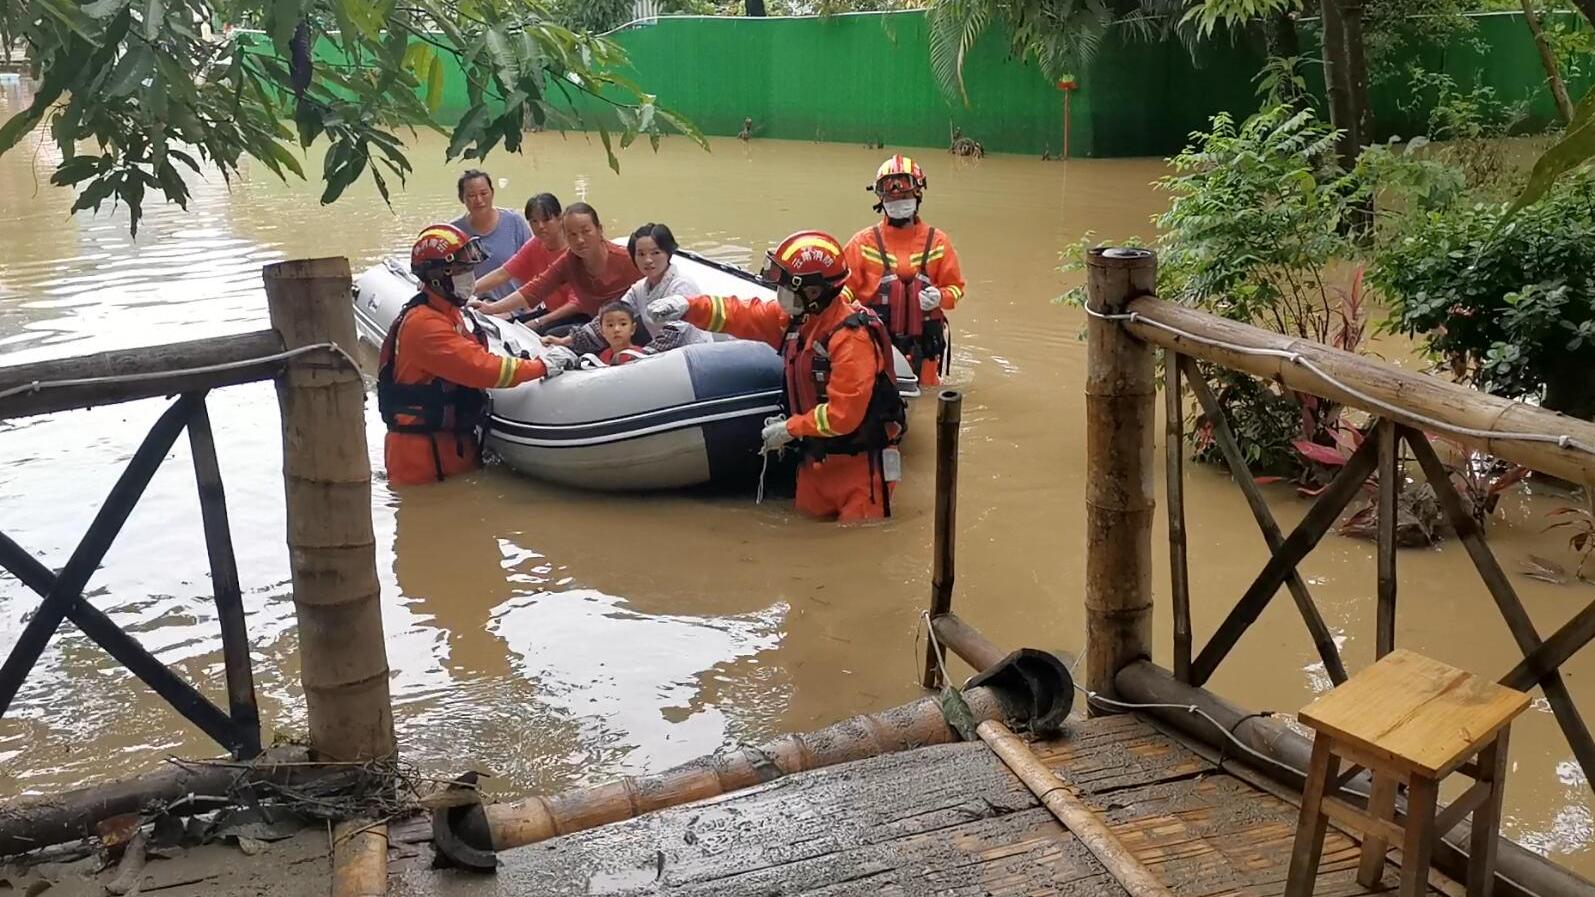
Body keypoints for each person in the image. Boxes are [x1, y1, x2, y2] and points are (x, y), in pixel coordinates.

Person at [649, 230, 906, 523]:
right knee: (803, 537)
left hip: (859, 469)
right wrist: (688, 307)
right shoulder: (799, 321)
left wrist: (791, 428)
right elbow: (740, 314)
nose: (779, 292)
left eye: (786, 286)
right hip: (815, 462)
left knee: (855, 546)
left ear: (812, 293)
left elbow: (844, 414)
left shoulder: (851, 339)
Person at [379, 223, 578, 486]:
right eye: (462, 270)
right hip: (424, 461)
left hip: (449, 447)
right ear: (438, 275)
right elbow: (484, 369)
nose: (470, 277)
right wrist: (541, 366)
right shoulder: (425, 325)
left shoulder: (447, 313)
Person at [843, 154, 966, 385]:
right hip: (875, 346)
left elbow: (956, 289)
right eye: (891, 196)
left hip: (926, 350)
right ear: (881, 198)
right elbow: (843, 289)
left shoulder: (938, 242)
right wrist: (852, 309)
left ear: (918, 194)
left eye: (905, 195)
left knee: (927, 404)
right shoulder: (862, 243)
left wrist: (941, 297)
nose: (898, 200)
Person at [470, 203, 639, 335]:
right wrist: (491, 308)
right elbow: (536, 288)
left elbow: (654, 281)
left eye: (586, 231)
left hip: (623, 325)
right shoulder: (570, 260)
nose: (579, 240)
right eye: (572, 235)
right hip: (593, 321)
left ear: (599, 230)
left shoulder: (625, 259)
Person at [562, 222, 702, 356]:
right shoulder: (639, 288)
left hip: (693, 358)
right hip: (664, 360)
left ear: (668, 253)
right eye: (641, 254)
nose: (648, 260)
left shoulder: (682, 286)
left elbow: (674, 334)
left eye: (655, 253)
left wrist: (637, 356)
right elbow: (612, 315)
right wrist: (567, 341)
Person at [468, 193, 577, 318]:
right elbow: (504, 273)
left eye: (546, 220)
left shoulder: (575, 250)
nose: (540, 226)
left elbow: (576, 303)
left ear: (560, 218)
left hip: (577, 316)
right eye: (534, 221)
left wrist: (539, 322)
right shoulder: (536, 244)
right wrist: (467, 290)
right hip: (550, 311)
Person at [452, 169, 534, 302]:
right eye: (472, 195)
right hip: (474, 308)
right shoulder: (454, 232)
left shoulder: (514, 222)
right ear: (462, 198)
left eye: (484, 193)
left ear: (492, 193)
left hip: (515, 308)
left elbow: (534, 268)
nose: (479, 200)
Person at [593, 301, 652, 366]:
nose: (616, 329)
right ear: (602, 331)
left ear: (632, 329)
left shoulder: (639, 355)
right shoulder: (603, 357)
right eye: (610, 325)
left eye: (623, 324)